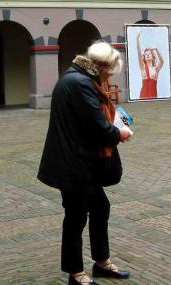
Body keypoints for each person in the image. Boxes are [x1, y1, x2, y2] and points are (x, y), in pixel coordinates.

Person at [37, 41, 131, 285]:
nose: (109, 76)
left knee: (100, 207)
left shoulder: (75, 77)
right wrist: (119, 133)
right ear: (101, 66)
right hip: (73, 164)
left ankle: (101, 262)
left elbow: (91, 117)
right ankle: (76, 274)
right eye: (109, 71)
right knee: (76, 218)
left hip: (78, 161)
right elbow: (97, 126)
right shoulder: (80, 84)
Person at [137, 32, 164, 99]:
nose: (148, 55)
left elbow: (162, 61)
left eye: (149, 54)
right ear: (144, 58)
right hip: (143, 95)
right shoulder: (142, 67)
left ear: (152, 57)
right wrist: (137, 39)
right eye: (146, 54)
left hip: (153, 95)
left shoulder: (156, 69)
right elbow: (139, 54)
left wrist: (156, 49)